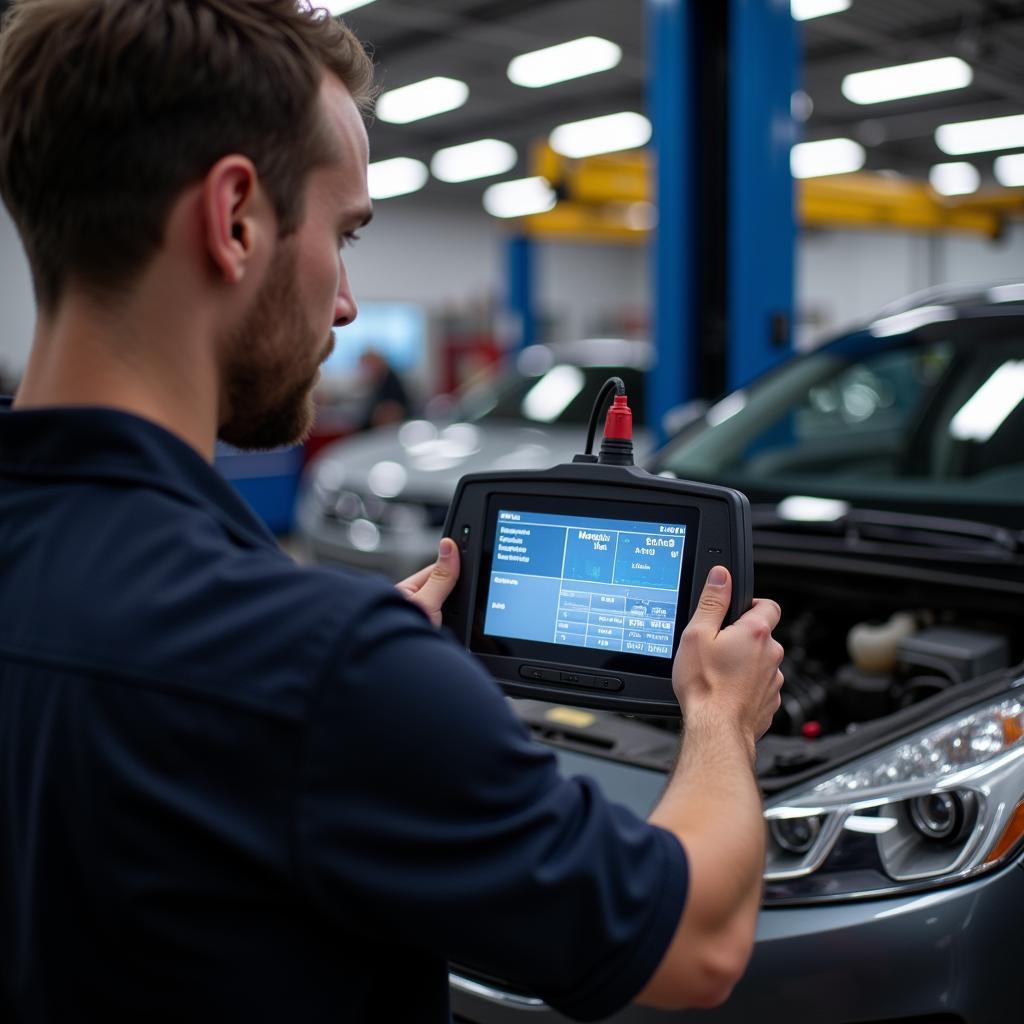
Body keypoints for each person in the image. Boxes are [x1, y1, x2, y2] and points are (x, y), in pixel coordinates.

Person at [0, 2, 784, 1022]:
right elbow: (695, 941)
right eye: (345, 234)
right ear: (235, 218)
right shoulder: (322, 672)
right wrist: (721, 719)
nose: (346, 305)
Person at [356, 347, 414, 430]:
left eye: (368, 365)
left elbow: (393, 410)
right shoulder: (379, 379)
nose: (366, 370)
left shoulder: (391, 381)